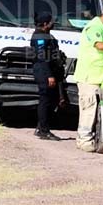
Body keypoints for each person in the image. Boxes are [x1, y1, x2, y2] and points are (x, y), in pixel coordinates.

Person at [72, 8, 103, 152]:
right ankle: (84, 140)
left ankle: (94, 138)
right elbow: (99, 45)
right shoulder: (93, 27)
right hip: (89, 77)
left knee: (98, 111)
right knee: (89, 109)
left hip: (101, 77)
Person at [30, 12, 66, 141]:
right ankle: (43, 130)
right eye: (51, 22)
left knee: (52, 100)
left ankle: (41, 127)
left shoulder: (46, 35)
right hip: (44, 72)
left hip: (50, 71)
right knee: (45, 101)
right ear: (45, 24)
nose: (53, 24)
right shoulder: (40, 37)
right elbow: (41, 57)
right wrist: (49, 76)